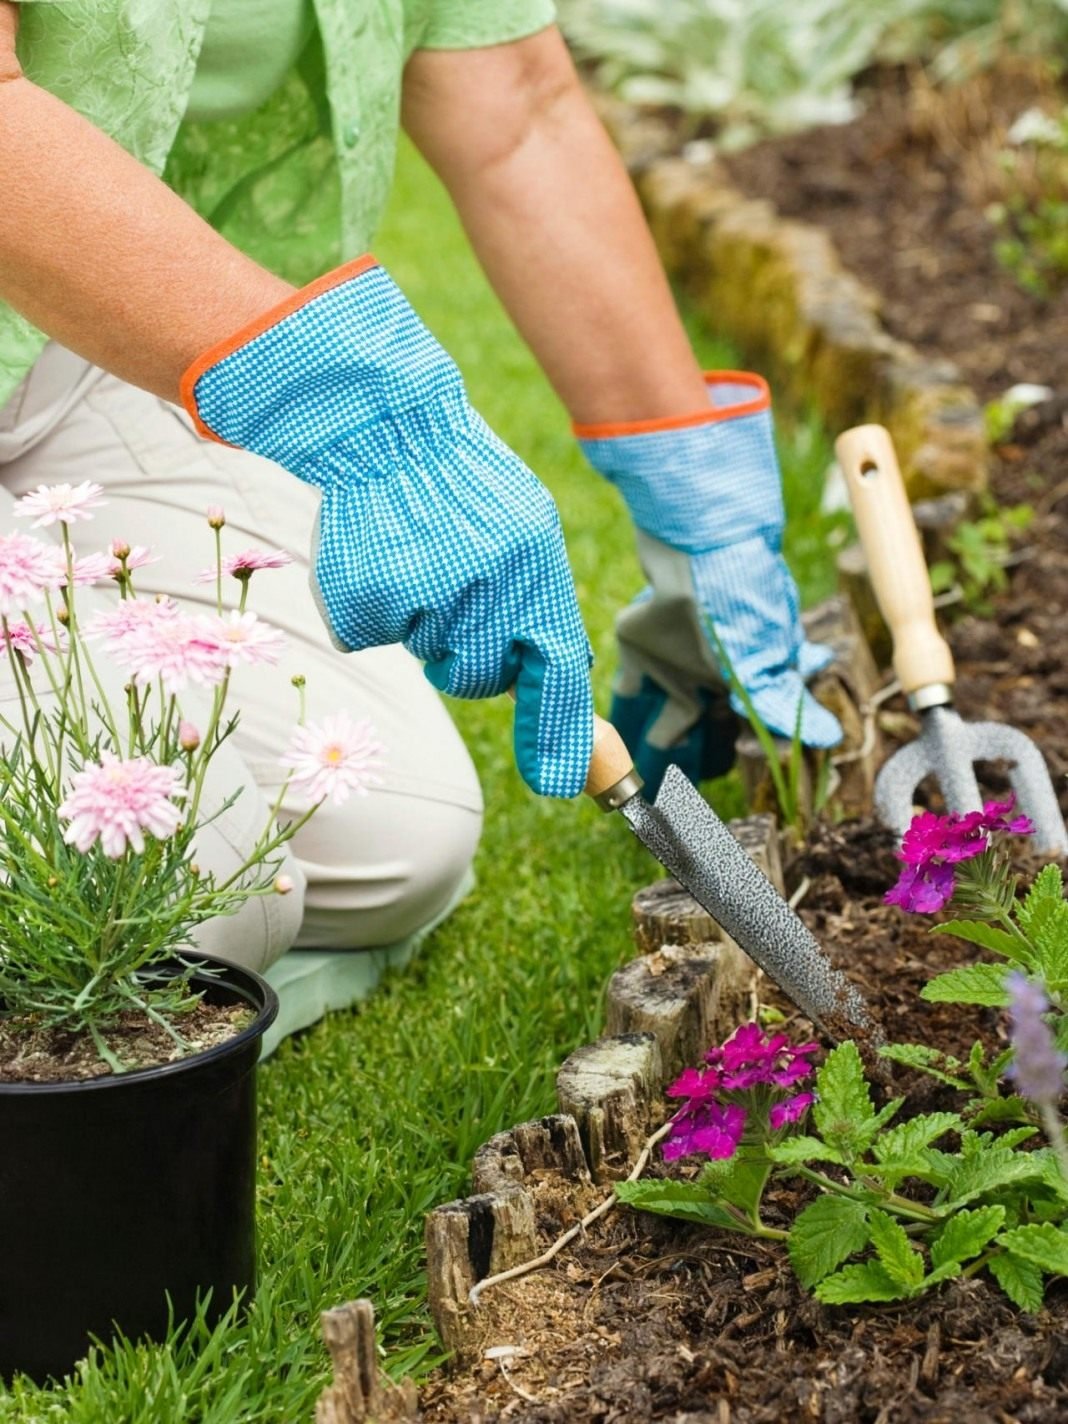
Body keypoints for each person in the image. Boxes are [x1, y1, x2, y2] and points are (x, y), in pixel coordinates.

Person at [0, 1, 841, 1040]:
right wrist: (359, 412)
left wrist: (699, 506)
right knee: (197, 890)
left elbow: (518, 114)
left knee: (402, 836)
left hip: (68, 355)